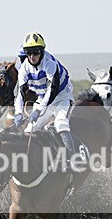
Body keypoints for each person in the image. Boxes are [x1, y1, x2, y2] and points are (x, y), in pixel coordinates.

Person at [13, 32, 79, 168]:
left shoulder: (49, 64)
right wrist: (18, 112)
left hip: (62, 97)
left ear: (42, 51)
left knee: (61, 123)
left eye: (36, 52)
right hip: (43, 98)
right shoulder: (24, 68)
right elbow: (20, 94)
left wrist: (37, 110)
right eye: (29, 52)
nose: (32, 56)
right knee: (29, 129)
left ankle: (71, 161)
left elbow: (52, 91)